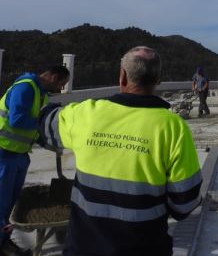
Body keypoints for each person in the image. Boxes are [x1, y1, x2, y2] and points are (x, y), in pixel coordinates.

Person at [38, 46, 202, 256]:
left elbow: (43, 125)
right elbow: (185, 202)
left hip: (84, 247)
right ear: (158, 80)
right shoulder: (174, 128)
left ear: (122, 76)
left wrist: (34, 89)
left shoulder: (85, 113)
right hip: (146, 247)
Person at [1, 65, 70, 256]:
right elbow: (17, 120)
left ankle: (5, 241)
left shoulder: (42, 94)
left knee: (11, 202)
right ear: (54, 77)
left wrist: (48, 142)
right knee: (2, 202)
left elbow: (32, 125)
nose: (61, 89)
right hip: (4, 153)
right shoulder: (25, 87)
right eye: (61, 84)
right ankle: (3, 246)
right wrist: (42, 126)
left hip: (19, 153)